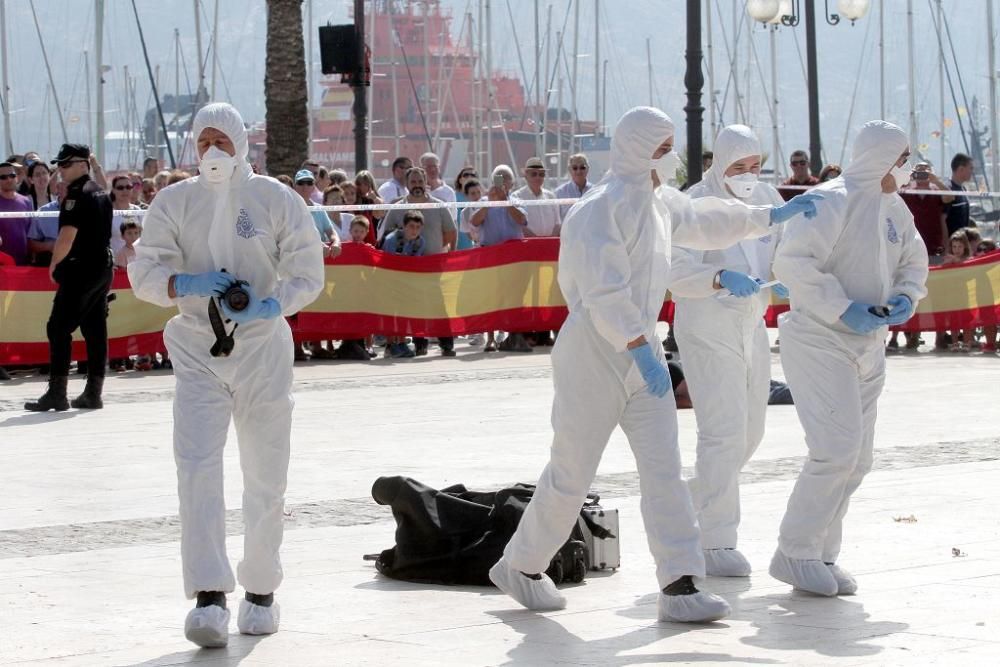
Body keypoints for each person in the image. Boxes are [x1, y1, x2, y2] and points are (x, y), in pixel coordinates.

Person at [488, 106, 821, 622]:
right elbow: (604, 291)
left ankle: (680, 582)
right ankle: (521, 565)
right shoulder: (599, 209)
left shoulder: (662, 203)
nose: (670, 162)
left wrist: (766, 218)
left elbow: (707, 221)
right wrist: (639, 348)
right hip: (595, 355)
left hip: (643, 353)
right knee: (572, 473)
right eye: (662, 151)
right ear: (637, 149)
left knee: (663, 470)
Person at [127, 103, 325, 648]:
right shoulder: (174, 201)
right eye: (203, 140)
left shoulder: (275, 199)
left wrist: (270, 304)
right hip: (195, 348)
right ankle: (209, 595)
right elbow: (143, 269)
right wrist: (182, 284)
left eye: (222, 139)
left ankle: (261, 591)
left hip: (262, 348)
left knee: (266, 471)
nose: (212, 150)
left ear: (241, 142)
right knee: (196, 467)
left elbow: (308, 271)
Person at [770, 120, 928, 597]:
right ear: (883, 159)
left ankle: (822, 551)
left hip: (868, 342)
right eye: (902, 162)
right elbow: (792, 263)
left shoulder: (893, 208)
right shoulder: (830, 201)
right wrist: (841, 307)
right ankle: (793, 552)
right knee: (835, 449)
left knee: (857, 459)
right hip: (819, 337)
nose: (905, 172)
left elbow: (913, 262)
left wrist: (905, 296)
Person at [669, 124, 787, 577]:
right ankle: (716, 540)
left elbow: (786, 248)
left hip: (751, 320)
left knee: (750, 431)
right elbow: (675, 269)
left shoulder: (769, 201)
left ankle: (687, 502)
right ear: (718, 164)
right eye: (739, 167)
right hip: (705, 321)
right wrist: (717, 278)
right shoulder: (692, 203)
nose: (748, 175)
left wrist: (788, 273)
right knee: (721, 430)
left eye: (755, 166)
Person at [24, 143, 114, 412]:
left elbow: (67, 235)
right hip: (102, 267)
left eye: (65, 164)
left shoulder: (78, 194)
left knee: (58, 327)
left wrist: (54, 263)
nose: (60, 170)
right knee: (95, 328)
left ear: (82, 164)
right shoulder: (99, 192)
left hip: (81, 268)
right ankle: (93, 392)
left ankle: (57, 393)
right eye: (59, 165)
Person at [378, 167, 457, 357]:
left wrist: (441, 252)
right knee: (415, 306)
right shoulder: (397, 208)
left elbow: (450, 232)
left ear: (426, 183)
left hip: (433, 264)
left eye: (420, 182)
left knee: (438, 304)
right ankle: (420, 343)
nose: (417, 186)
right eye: (413, 182)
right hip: (408, 269)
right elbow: (387, 234)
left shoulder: (439, 205)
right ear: (406, 184)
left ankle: (447, 343)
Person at [469, 165, 532, 353]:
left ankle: (513, 335)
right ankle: (490, 339)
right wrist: (490, 202)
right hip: (491, 256)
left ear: (511, 183)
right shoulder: (484, 201)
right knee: (491, 298)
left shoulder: (517, 201)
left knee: (514, 297)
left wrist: (505, 201)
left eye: (506, 178)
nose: (502, 181)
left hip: (513, 258)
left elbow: (522, 220)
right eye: (499, 178)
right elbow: (475, 221)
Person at [512, 157, 561, 237]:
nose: (538, 177)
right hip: (528, 245)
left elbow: (557, 223)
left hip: (550, 244)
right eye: (534, 174)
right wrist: (537, 241)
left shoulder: (551, 196)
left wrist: (549, 241)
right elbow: (519, 225)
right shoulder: (517, 196)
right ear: (526, 176)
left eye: (541, 174)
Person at [0, 161, 34, 265]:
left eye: (12, 175)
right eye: (3, 177)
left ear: (17, 177)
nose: (9, 179)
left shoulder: (26, 201)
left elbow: (31, 233)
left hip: (24, 264)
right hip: (2, 264)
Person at [28, 176, 64, 266]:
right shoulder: (43, 212)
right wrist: (49, 246)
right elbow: (31, 244)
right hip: (50, 263)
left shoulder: (87, 208)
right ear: (58, 187)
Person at [110, 174, 143, 255]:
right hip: (116, 263)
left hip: (135, 261)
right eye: (120, 188)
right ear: (113, 190)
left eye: (128, 187)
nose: (125, 190)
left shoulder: (137, 210)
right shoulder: (107, 211)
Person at [943, 153, 973, 236]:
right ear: (961, 169)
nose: (972, 172)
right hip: (952, 245)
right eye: (970, 168)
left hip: (962, 244)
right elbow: (942, 219)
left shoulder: (963, 189)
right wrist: (946, 245)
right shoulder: (949, 189)